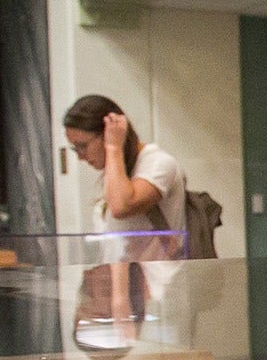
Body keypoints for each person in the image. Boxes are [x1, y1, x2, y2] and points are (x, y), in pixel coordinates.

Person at [62, 95, 187, 261]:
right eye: (75, 149)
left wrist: (114, 147)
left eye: (82, 146)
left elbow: (121, 206)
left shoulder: (159, 164)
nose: (80, 157)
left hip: (159, 283)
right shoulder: (118, 172)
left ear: (107, 133)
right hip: (126, 282)